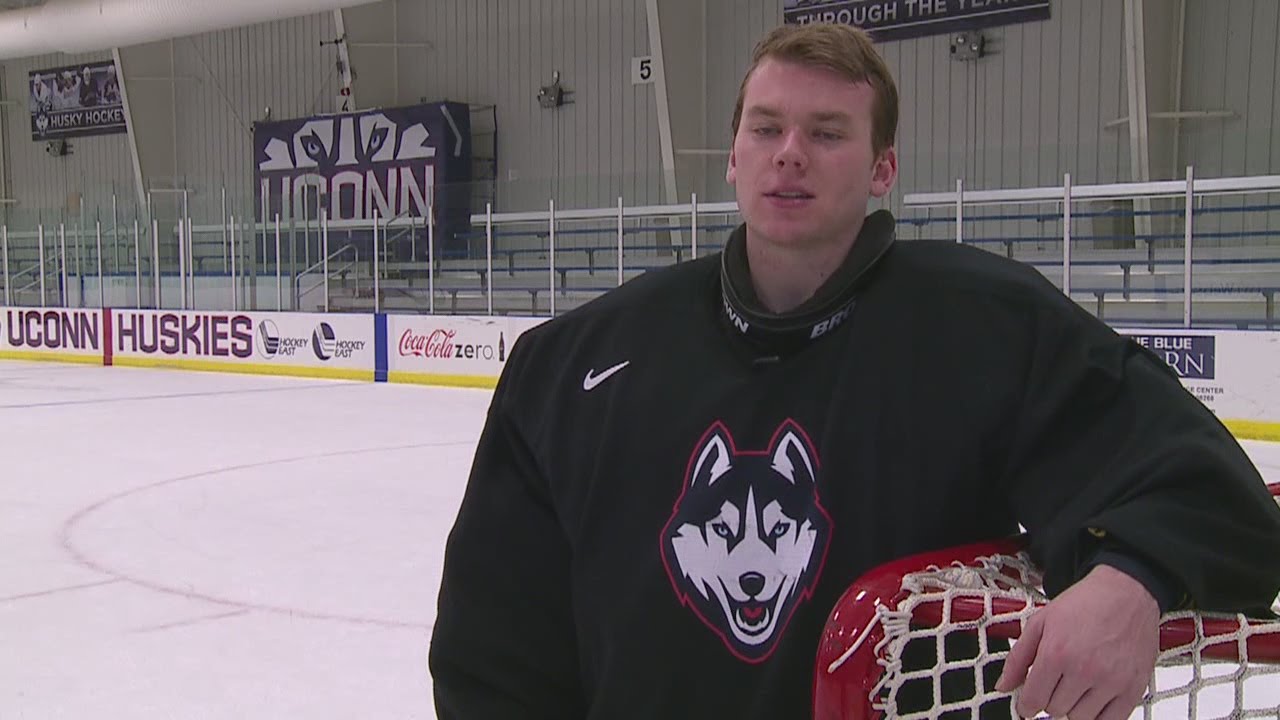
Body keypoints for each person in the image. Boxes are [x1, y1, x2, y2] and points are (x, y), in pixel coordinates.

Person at [429, 22, 1280, 719]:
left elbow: (1196, 483)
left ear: (883, 169)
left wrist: (1132, 580)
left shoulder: (986, 326)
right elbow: (494, 647)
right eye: (766, 128)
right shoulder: (575, 361)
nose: (789, 153)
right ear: (733, 156)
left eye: (828, 133)